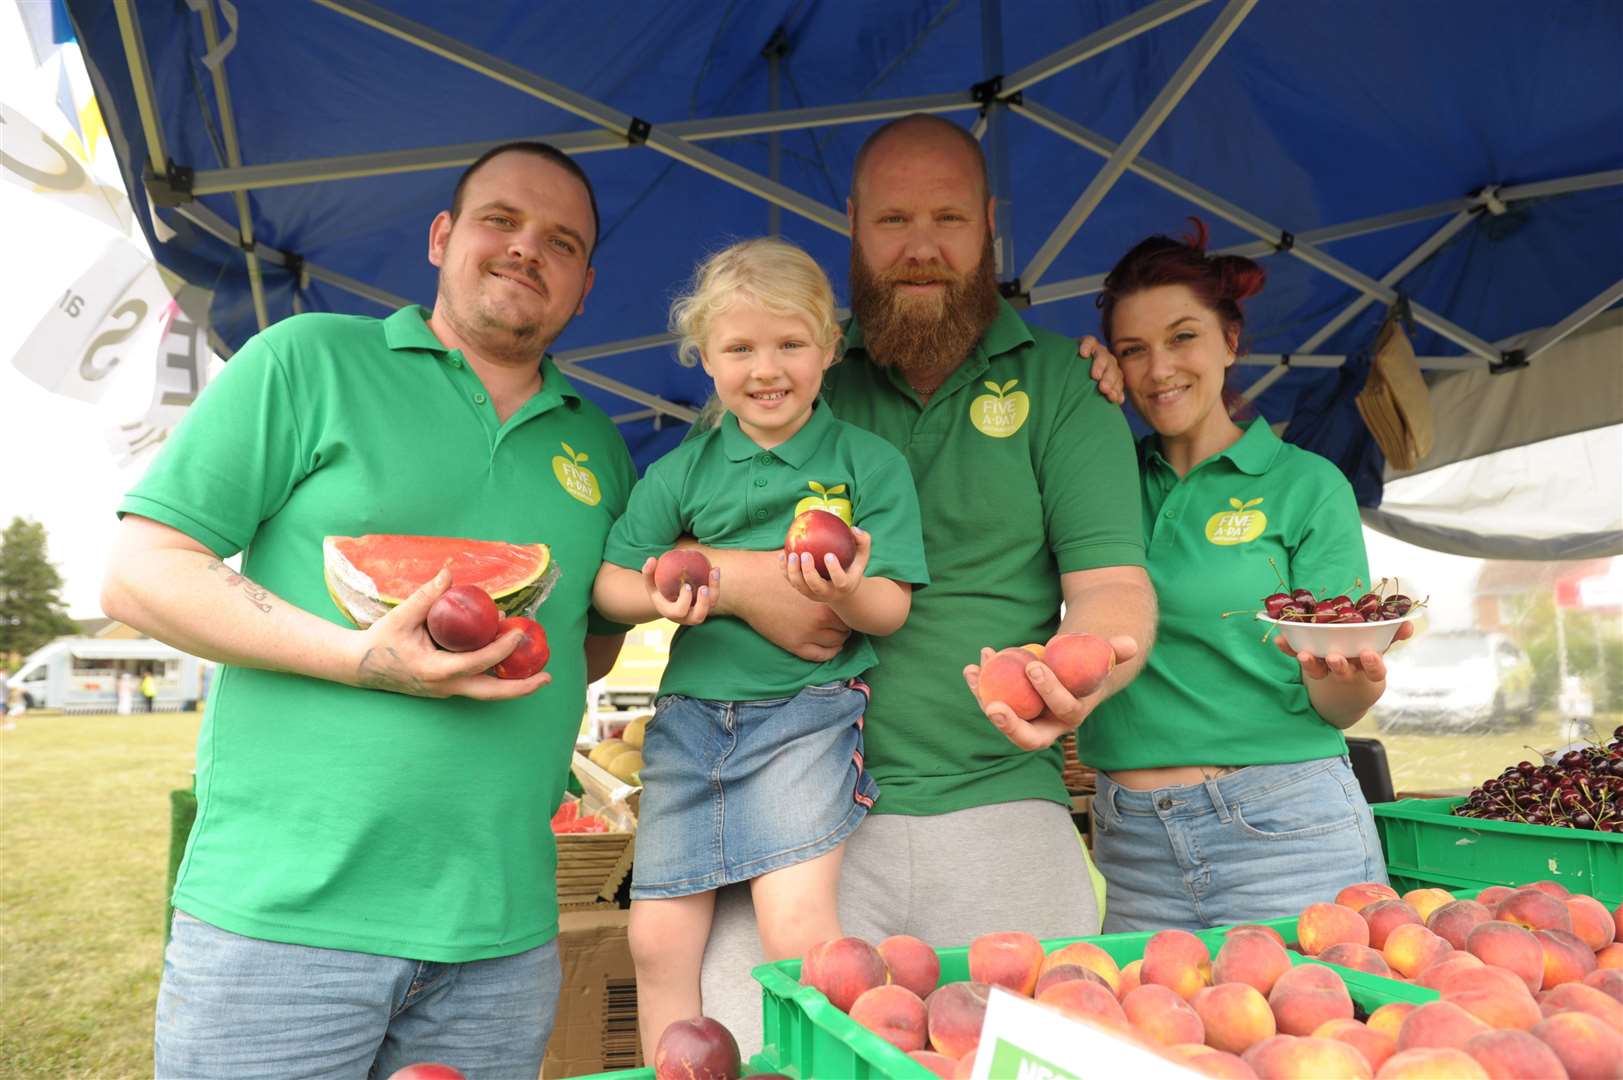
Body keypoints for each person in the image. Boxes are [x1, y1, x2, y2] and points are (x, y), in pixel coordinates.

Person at [100, 141, 636, 1078]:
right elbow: (141, 572)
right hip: (283, 928)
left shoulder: (601, 448)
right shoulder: (305, 361)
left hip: (501, 940)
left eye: (559, 241)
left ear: (584, 285)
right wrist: (362, 658)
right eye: (499, 222)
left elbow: (583, 652)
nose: (525, 250)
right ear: (442, 238)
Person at [696, 114, 1157, 1046]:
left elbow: (1112, 586)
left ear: (989, 224)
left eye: (946, 219)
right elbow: (674, 548)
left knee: (1036, 1062)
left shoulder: (1065, 387)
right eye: (891, 220)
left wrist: (1089, 672)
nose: (919, 248)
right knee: (764, 1060)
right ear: (852, 227)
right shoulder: (789, 370)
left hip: (1000, 809)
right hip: (793, 815)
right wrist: (744, 577)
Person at [592, 237, 928, 1060]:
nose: (764, 368)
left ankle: (814, 1069)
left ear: (827, 350)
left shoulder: (866, 463)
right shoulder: (683, 470)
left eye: (788, 344)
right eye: (739, 348)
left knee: (799, 932)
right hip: (687, 721)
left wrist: (845, 587)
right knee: (657, 939)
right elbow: (609, 583)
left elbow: (889, 609)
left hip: (806, 716)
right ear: (705, 358)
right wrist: (665, 592)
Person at [1079, 220, 1408, 932]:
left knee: (1323, 1041)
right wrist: (1068, 389)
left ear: (1229, 340)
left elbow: (1337, 709)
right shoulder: (1097, 480)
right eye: (1132, 351)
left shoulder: (1305, 485)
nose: (1158, 368)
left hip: (1286, 831)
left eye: (1181, 337)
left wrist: (1354, 674)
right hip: (1129, 843)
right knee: (1144, 1046)